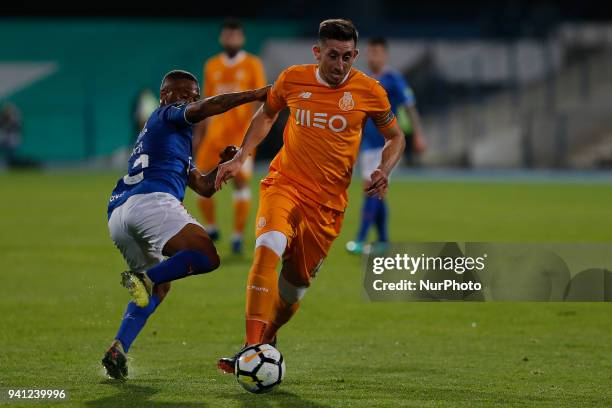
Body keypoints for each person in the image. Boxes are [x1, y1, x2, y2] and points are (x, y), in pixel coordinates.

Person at [214, 19, 406, 373]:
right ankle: (250, 347)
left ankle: (269, 335)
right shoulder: (292, 78)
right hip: (284, 184)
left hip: (328, 207)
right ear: (317, 52)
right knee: (268, 245)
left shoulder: (370, 91)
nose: (340, 64)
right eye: (333, 55)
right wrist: (242, 155)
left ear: (356, 55)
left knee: (293, 292)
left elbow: (396, 136)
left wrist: (383, 169)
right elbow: (267, 113)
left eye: (348, 57)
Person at [102, 69, 268, 380]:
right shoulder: (168, 115)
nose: (191, 101)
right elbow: (207, 108)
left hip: (120, 215)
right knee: (205, 255)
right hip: (150, 202)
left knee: (160, 288)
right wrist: (255, 94)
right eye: (184, 95)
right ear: (165, 96)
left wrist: (223, 164)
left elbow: (203, 187)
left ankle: (118, 347)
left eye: (194, 95)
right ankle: (145, 277)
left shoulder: (168, 136)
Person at [346, 36, 426, 255]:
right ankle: (383, 240)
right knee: (378, 190)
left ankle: (360, 240)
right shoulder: (363, 79)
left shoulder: (394, 79)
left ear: (385, 55)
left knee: (370, 190)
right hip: (366, 144)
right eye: (371, 52)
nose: (374, 56)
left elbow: (410, 107)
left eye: (378, 52)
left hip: (387, 144)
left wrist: (418, 134)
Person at [194, 18, 267, 254]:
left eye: (235, 35)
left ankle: (237, 236)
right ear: (221, 38)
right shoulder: (211, 65)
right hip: (213, 137)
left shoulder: (253, 64)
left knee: (241, 183)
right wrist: (199, 135)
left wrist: (256, 134)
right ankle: (212, 227)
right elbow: (205, 104)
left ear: (242, 38)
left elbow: (261, 101)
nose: (231, 39)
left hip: (240, 138)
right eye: (228, 35)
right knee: (200, 182)